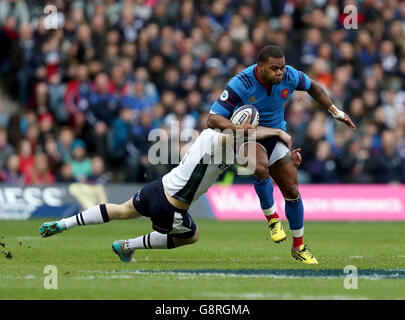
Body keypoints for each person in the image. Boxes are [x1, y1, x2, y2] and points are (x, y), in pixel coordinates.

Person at [39, 115, 299, 263]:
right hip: (171, 205)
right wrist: (275, 132)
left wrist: (283, 162)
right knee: (191, 236)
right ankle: (128, 245)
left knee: (121, 210)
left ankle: (65, 223)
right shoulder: (221, 139)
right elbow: (238, 138)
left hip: (158, 188)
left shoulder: (215, 140)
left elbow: (257, 167)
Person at [207, 45, 356, 264]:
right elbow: (211, 119)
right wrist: (240, 129)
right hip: (247, 136)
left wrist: (335, 111)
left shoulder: (289, 76)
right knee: (260, 166)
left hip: (276, 135)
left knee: (292, 191)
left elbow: (313, 86)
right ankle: (273, 219)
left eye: (282, 67)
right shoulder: (242, 82)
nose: (280, 72)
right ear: (261, 66)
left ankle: (299, 247)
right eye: (274, 68)